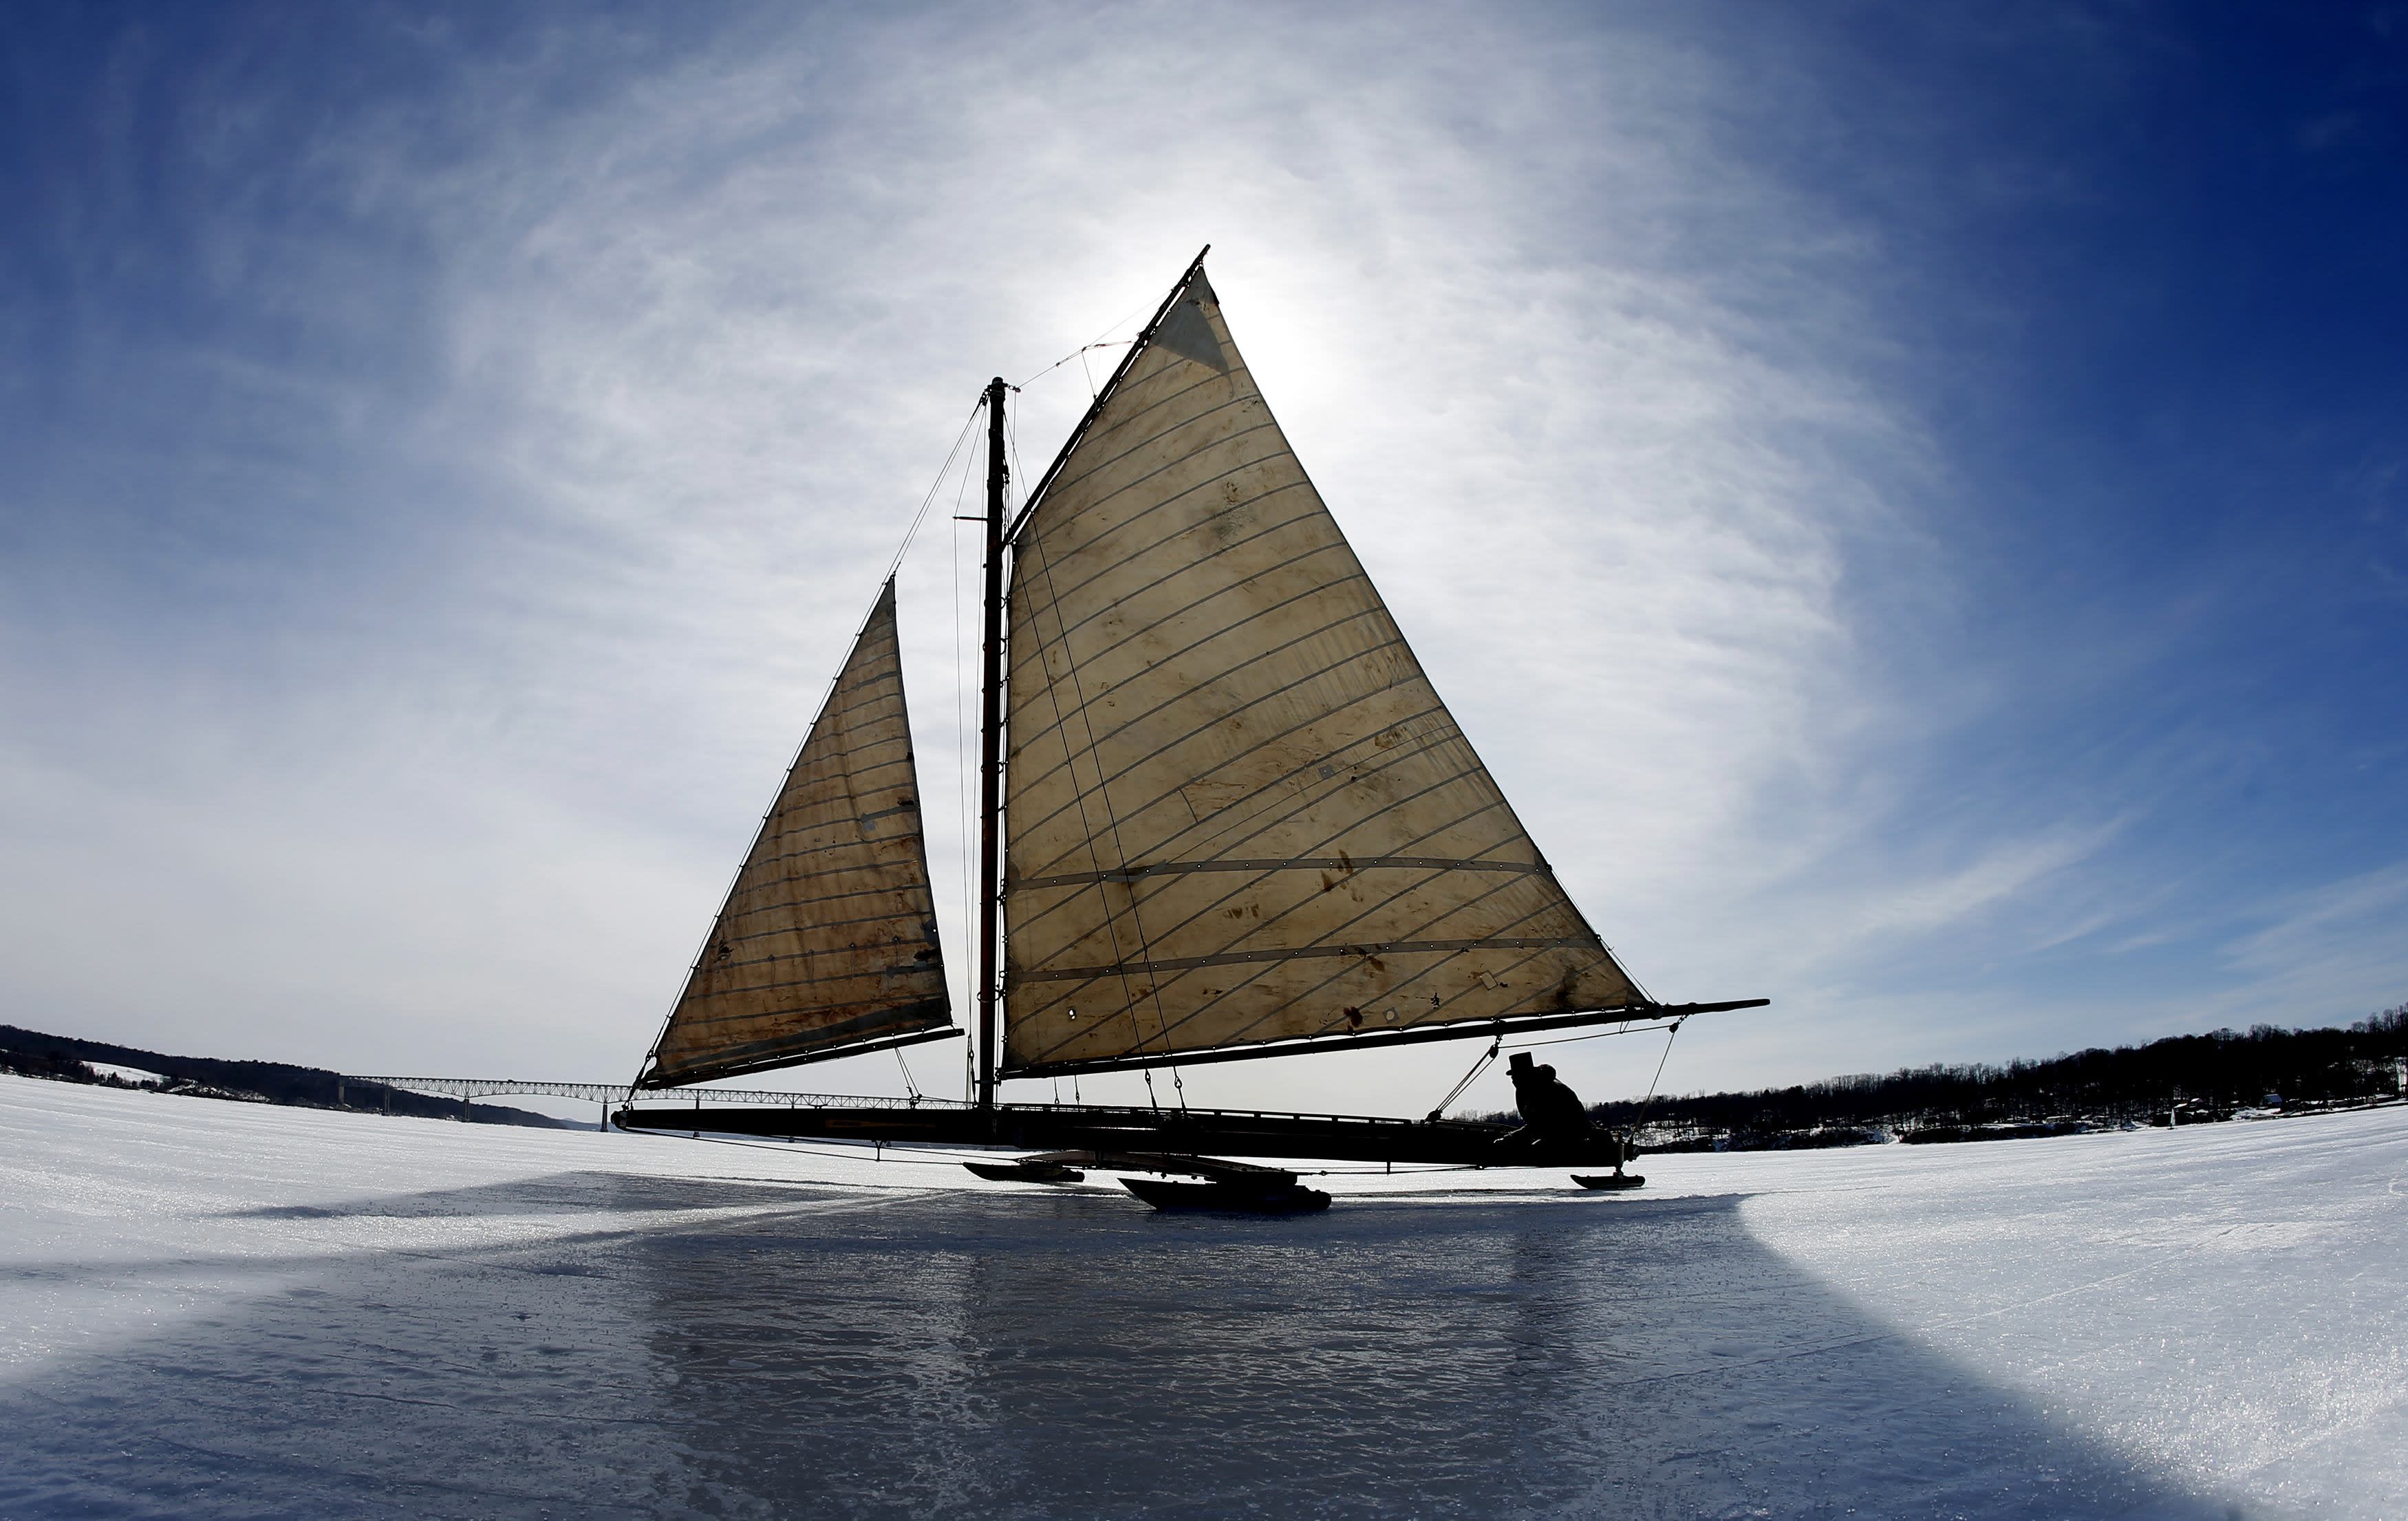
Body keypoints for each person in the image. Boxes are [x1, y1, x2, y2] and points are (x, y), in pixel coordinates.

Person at [1494, 1050, 1593, 1154]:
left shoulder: (1547, 1089)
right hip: (1553, 1134)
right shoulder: (1525, 1089)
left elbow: (1542, 1123)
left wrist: (1511, 1138)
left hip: (1572, 1135)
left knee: (1533, 1153)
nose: (1513, 1080)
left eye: (1516, 1076)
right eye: (1513, 1077)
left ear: (1526, 1075)